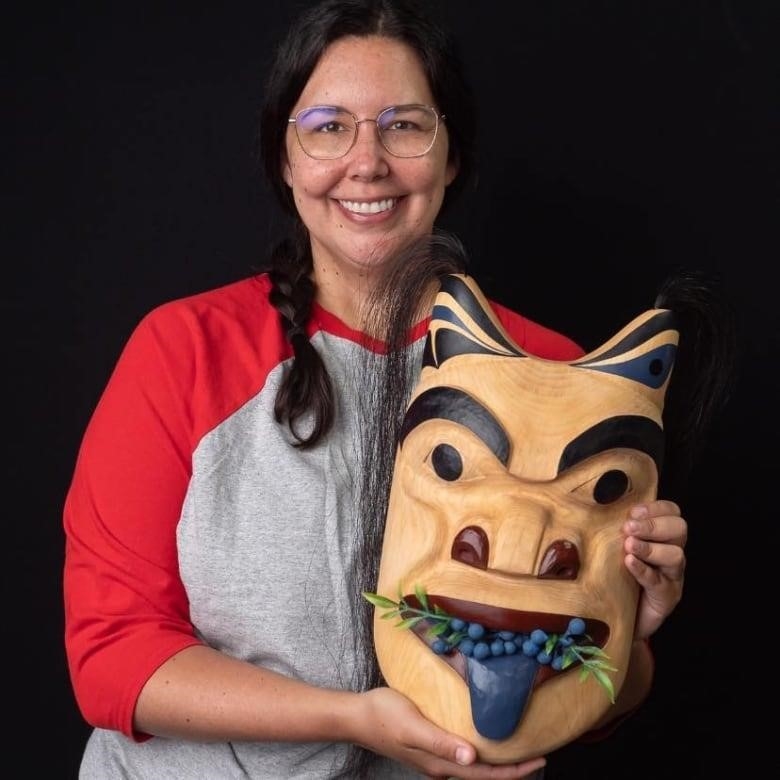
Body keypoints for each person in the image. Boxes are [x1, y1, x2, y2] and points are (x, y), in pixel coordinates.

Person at [63, 1, 690, 778]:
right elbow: (111, 656)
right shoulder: (185, 351)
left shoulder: (557, 373)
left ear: (452, 153)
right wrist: (349, 718)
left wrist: (633, 632)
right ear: (284, 158)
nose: (367, 162)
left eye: (405, 125)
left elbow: (589, 695)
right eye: (327, 126)